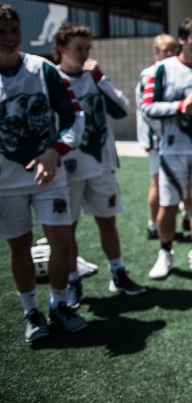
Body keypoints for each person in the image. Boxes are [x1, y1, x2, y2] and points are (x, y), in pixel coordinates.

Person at [0, 3, 88, 341]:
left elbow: (74, 117)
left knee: (61, 239)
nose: (9, 39)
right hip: (6, 182)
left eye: (14, 30)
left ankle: (59, 303)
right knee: (18, 246)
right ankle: (31, 311)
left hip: (50, 174)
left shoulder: (43, 69)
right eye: (2, 32)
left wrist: (54, 151)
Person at [54, 25, 146, 307]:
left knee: (108, 221)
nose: (84, 54)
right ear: (61, 49)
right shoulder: (52, 78)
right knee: (66, 229)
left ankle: (117, 273)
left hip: (100, 163)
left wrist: (100, 77)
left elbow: (121, 109)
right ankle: (72, 281)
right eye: (78, 48)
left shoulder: (94, 78)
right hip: (67, 167)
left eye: (87, 48)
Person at [142, 17, 192, 278]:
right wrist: (181, 106)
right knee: (168, 204)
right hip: (173, 150)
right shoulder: (162, 70)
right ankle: (165, 252)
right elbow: (147, 107)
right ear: (181, 39)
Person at [136, 34, 178, 239]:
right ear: (156, 52)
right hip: (158, 140)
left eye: (172, 50)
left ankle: (187, 216)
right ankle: (153, 224)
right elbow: (146, 111)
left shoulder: (176, 71)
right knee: (158, 182)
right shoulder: (149, 74)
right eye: (165, 50)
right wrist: (147, 138)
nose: (169, 54)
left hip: (177, 139)